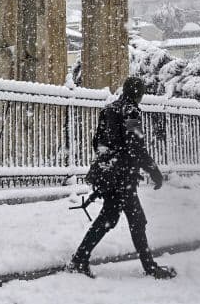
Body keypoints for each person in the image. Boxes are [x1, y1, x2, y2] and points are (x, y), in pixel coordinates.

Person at [67, 75, 177, 279]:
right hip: (122, 178)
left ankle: (80, 259)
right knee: (136, 220)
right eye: (141, 92)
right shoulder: (130, 111)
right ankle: (150, 268)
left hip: (108, 175)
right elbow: (136, 146)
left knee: (110, 217)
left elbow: (97, 142)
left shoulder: (109, 109)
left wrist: (109, 159)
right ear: (138, 93)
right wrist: (153, 170)